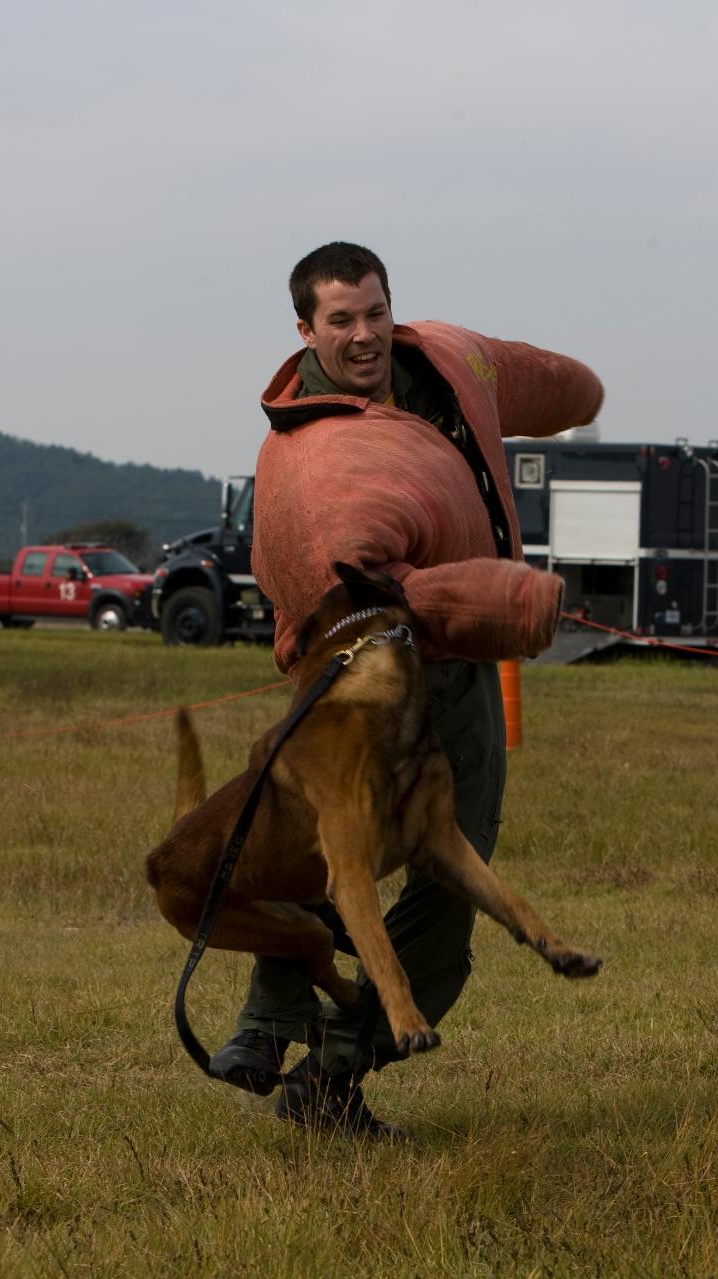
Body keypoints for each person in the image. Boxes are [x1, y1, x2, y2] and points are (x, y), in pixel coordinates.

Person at [209, 241, 604, 1138]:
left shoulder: (441, 364)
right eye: (341, 320)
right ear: (305, 329)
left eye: (375, 313)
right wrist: (503, 601)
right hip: (357, 670)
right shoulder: (311, 457)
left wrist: (579, 393)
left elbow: (529, 379)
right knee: (322, 846)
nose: (363, 335)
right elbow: (351, 587)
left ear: (394, 308)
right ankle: (282, 1037)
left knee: (450, 862)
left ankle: (323, 1065)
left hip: (457, 675)